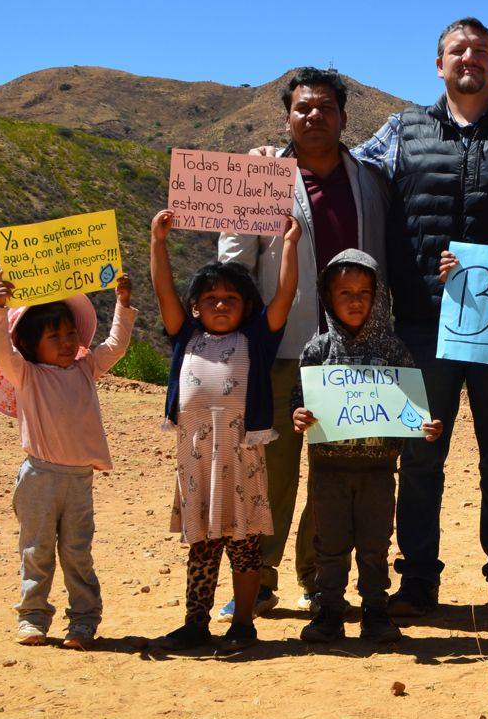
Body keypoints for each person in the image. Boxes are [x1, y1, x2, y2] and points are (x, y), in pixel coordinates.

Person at [353, 17, 488, 619]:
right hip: (423, 323)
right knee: (420, 457)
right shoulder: (401, 130)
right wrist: (282, 156)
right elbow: (345, 171)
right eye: (456, 50)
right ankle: (418, 580)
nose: (468, 57)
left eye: (480, 50)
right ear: (439, 64)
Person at [220, 67, 391, 618]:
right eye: (303, 108)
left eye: (325, 108)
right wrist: (242, 337)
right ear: (287, 116)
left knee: (333, 467)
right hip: (282, 347)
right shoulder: (260, 173)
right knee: (271, 468)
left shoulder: (369, 178)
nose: (314, 116)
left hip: (351, 354)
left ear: (343, 116)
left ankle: (319, 577)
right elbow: (234, 262)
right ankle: (258, 579)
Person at [148, 210, 301, 654]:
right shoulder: (185, 335)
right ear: (195, 306)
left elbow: (285, 297)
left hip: (241, 463)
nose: (220, 303)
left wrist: (289, 245)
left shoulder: (257, 337)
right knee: (202, 546)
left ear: (247, 307)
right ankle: (195, 624)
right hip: (195, 463)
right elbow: (163, 294)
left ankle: (243, 625)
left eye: (231, 297)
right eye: (210, 297)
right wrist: (158, 243)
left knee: (245, 548)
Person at [291, 250, 443, 645]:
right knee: (330, 546)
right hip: (328, 471)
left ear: (378, 297)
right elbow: (299, 399)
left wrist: (425, 427)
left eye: (364, 292)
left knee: (375, 545)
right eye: (345, 292)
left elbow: (410, 412)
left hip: (378, 472)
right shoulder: (317, 351)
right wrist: (298, 415)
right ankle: (329, 613)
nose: (355, 300)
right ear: (327, 296)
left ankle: (376, 612)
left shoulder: (393, 351)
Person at [0, 274, 135, 648]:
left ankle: (83, 621)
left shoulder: (86, 368)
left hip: (79, 480)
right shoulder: (27, 374)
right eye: (55, 337)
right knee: (35, 550)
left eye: (70, 334)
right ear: (31, 345)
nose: (67, 343)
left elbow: (115, 346)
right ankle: (32, 619)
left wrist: (123, 304)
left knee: (76, 552)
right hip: (39, 477)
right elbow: (1, 350)